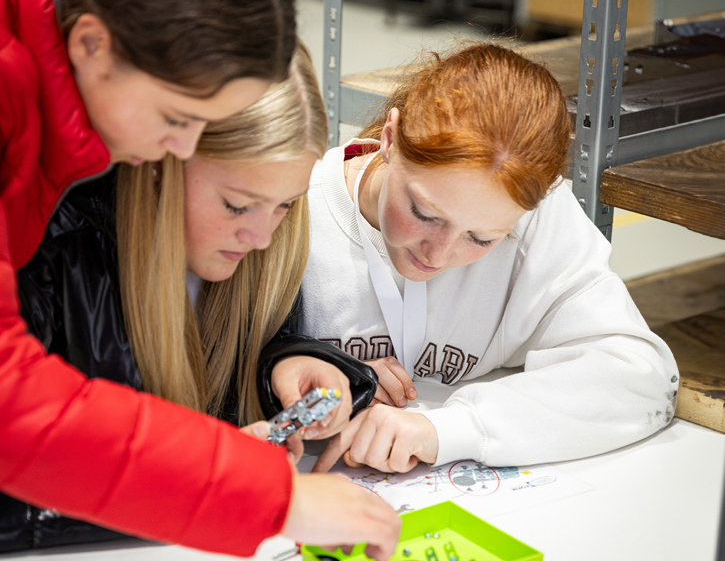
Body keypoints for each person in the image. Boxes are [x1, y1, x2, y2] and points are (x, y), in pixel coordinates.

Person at [0, 0, 399, 559]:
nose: (180, 152)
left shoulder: (1, 41)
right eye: (177, 119)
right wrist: (268, 497)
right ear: (90, 44)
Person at [0, 41, 379, 555]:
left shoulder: (266, 246)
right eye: (238, 205)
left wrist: (286, 364)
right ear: (163, 162)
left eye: (285, 204)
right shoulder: (53, 251)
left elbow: (234, 380)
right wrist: (217, 480)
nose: (260, 236)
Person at [290, 42, 680, 474]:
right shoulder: (295, 211)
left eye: (481, 238)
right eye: (424, 213)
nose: (438, 255)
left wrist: (452, 429)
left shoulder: (532, 213)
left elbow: (643, 378)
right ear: (390, 138)